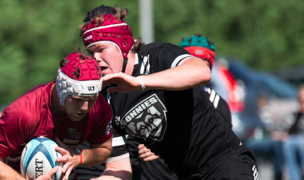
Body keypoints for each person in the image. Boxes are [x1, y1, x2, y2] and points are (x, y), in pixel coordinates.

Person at [79, 5, 259, 180]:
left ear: (122, 43)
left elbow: (201, 71)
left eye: (101, 49)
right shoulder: (107, 99)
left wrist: (138, 82)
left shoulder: (157, 55)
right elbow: (119, 169)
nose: (95, 58)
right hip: (186, 175)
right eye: (90, 52)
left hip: (226, 162)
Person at [0, 49, 113, 180]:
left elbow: (104, 148)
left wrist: (79, 158)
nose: (85, 107)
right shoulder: (24, 113)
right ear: (61, 89)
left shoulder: (100, 108)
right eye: (78, 99)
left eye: (91, 98)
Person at [282, 84, 304, 180]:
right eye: (301, 101)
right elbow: (283, 130)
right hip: (292, 142)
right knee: (289, 143)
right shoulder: (294, 116)